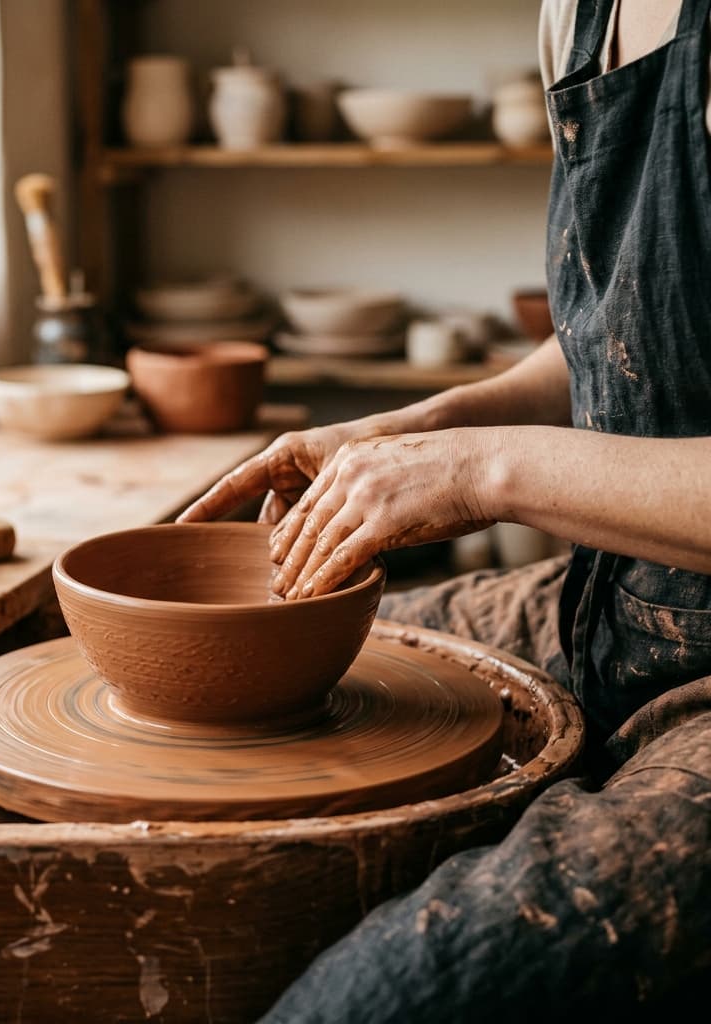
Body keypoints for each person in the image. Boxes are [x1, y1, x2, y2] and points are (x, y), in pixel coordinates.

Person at [178, 0, 711, 1018]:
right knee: (248, 668)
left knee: (389, 995)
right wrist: (421, 432)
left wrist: (478, 471)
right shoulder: (581, 13)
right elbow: (628, 326)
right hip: (609, 600)